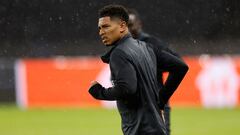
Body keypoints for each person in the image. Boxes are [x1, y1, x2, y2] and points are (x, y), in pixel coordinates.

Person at [88, 4, 188, 135]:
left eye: (106, 27)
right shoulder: (147, 47)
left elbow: (127, 88)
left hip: (139, 130)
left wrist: (99, 92)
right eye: (100, 28)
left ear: (123, 26)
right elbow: (180, 67)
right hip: (157, 128)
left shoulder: (119, 53)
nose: (101, 32)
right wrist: (161, 100)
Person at [127, 9, 182, 135]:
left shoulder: (152, 43)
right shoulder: (123, 46)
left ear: (139, 24)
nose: (128, 29)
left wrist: (162, 97)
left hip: (155, 103)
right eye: (126, 25)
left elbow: (178, 63)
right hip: (135, 105)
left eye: (131, 24)